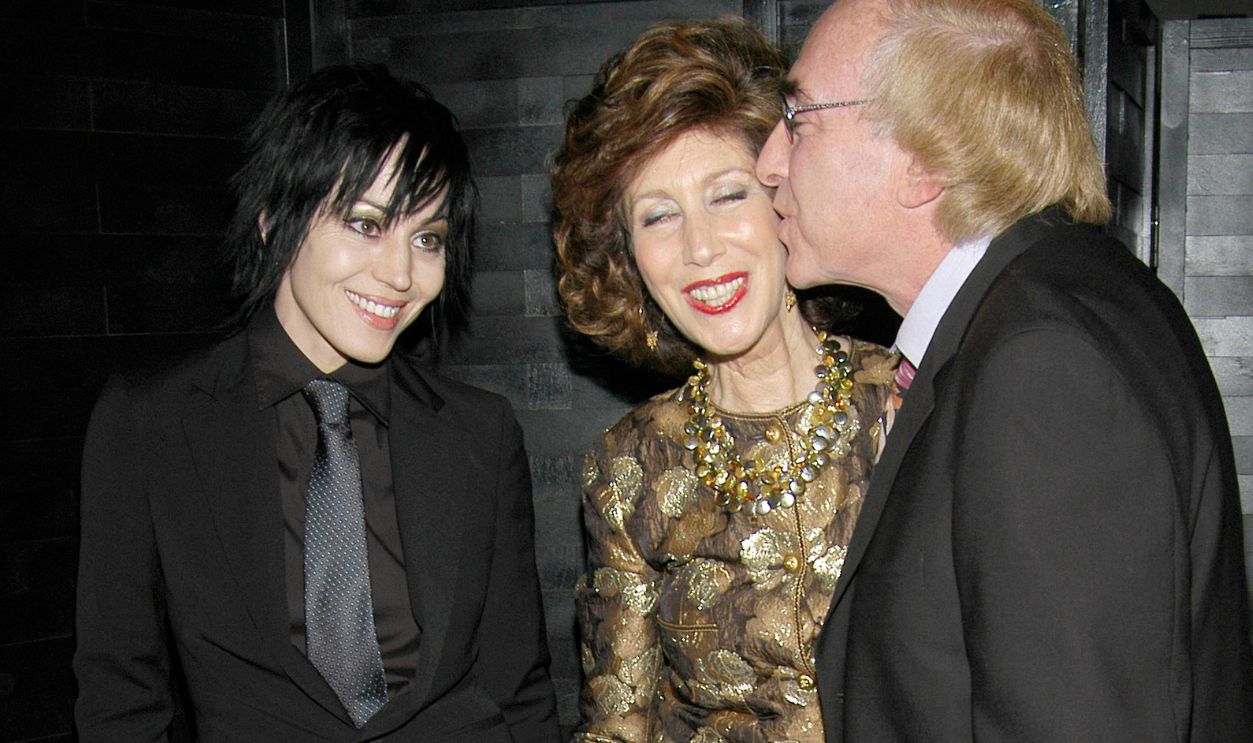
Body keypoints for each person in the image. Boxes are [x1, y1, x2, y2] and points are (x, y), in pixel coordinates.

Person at [754, 0, 1253, 740]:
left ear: (926, 157)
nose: (767, 160)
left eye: (799, 119)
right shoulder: (1049, 305)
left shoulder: (1041, 366)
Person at [73, 63, 559, 741]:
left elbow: (518, 685)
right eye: (365, 224)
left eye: (427, 238)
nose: (398, 272)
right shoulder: (152, 421)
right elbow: (120, 694)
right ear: (274, 219)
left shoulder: (481, 430)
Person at [551, 18, 897, 743]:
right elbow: (616, 725)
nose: (699, 248)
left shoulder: (911, 398)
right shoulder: (628, 465)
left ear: (785, 197)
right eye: (658, 216)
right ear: (629, 257)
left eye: (726, 195)